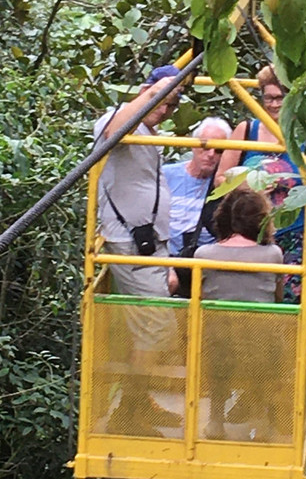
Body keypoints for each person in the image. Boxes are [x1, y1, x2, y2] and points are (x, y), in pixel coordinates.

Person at [91, 64, 185, 435]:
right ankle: (128, 411)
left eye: (173, 104)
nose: (167, 108)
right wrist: (153, 93)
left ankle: (137, 402)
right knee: (158, 327)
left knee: (149, 326)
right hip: (128, 241)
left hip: (148, 245)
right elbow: (113, 133)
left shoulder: (149, 130)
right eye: (164, 100)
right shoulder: (119, 119)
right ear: (149, 91)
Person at [194, 189, 284, 440]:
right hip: (261, 339)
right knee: (269, 340)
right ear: (262, 220)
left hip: (218, 340)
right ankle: (263, 420)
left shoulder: (203, 255)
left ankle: (215, 421)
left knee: (215, 339)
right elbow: (277, 297)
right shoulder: (273, 255)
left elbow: (199, 298)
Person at [214, 65, 306, 302]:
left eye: (280, 98)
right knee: (248, 297)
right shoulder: (247, 131)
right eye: (269, 98)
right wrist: (248, 187)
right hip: (249, 233)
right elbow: (220, 178)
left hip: (294, 232)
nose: (274, 104)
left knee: (288, 301)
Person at [164, 117, 231, 297]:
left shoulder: (225, 183)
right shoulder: (166, 175)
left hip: (208, 262)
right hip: (166, 257)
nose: (210, 154)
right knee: (167, 283)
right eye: (205, 146)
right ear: (194, 146)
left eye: (218, 150)